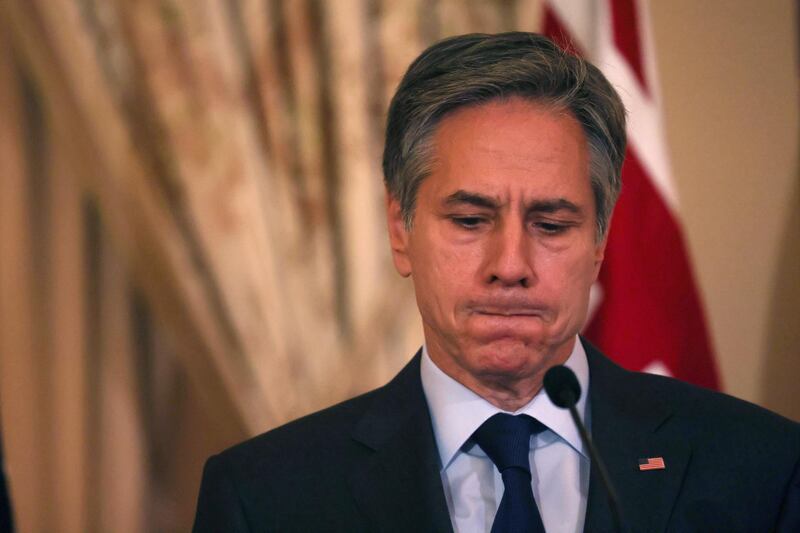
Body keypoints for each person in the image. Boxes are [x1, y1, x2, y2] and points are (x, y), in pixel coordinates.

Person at [193, 32, 800, 532]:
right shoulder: (265, 496)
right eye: (469, 219)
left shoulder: (760, 470)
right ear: (400, 229)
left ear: (600, 241)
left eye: (552, 223)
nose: (510, 264)